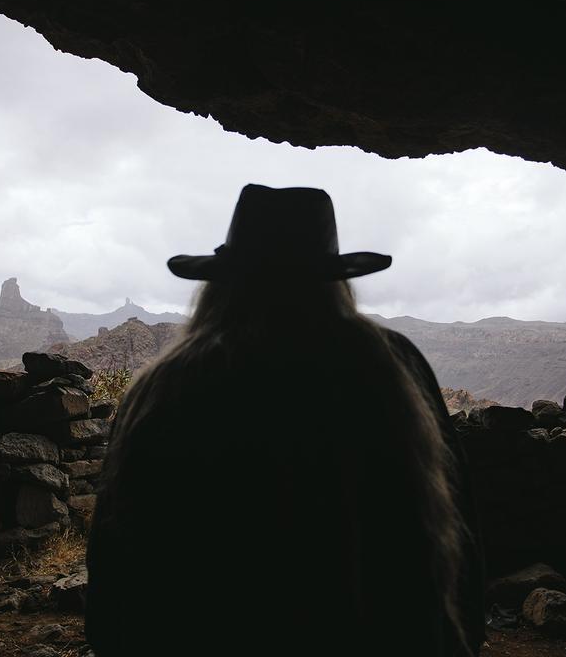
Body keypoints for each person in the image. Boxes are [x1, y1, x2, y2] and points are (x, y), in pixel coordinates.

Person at [85, 184, 485, 656]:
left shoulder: (165, 387)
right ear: (335, 280)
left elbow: (117, 560)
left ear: (221, 282)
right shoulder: (391, 368)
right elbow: (450, 527)